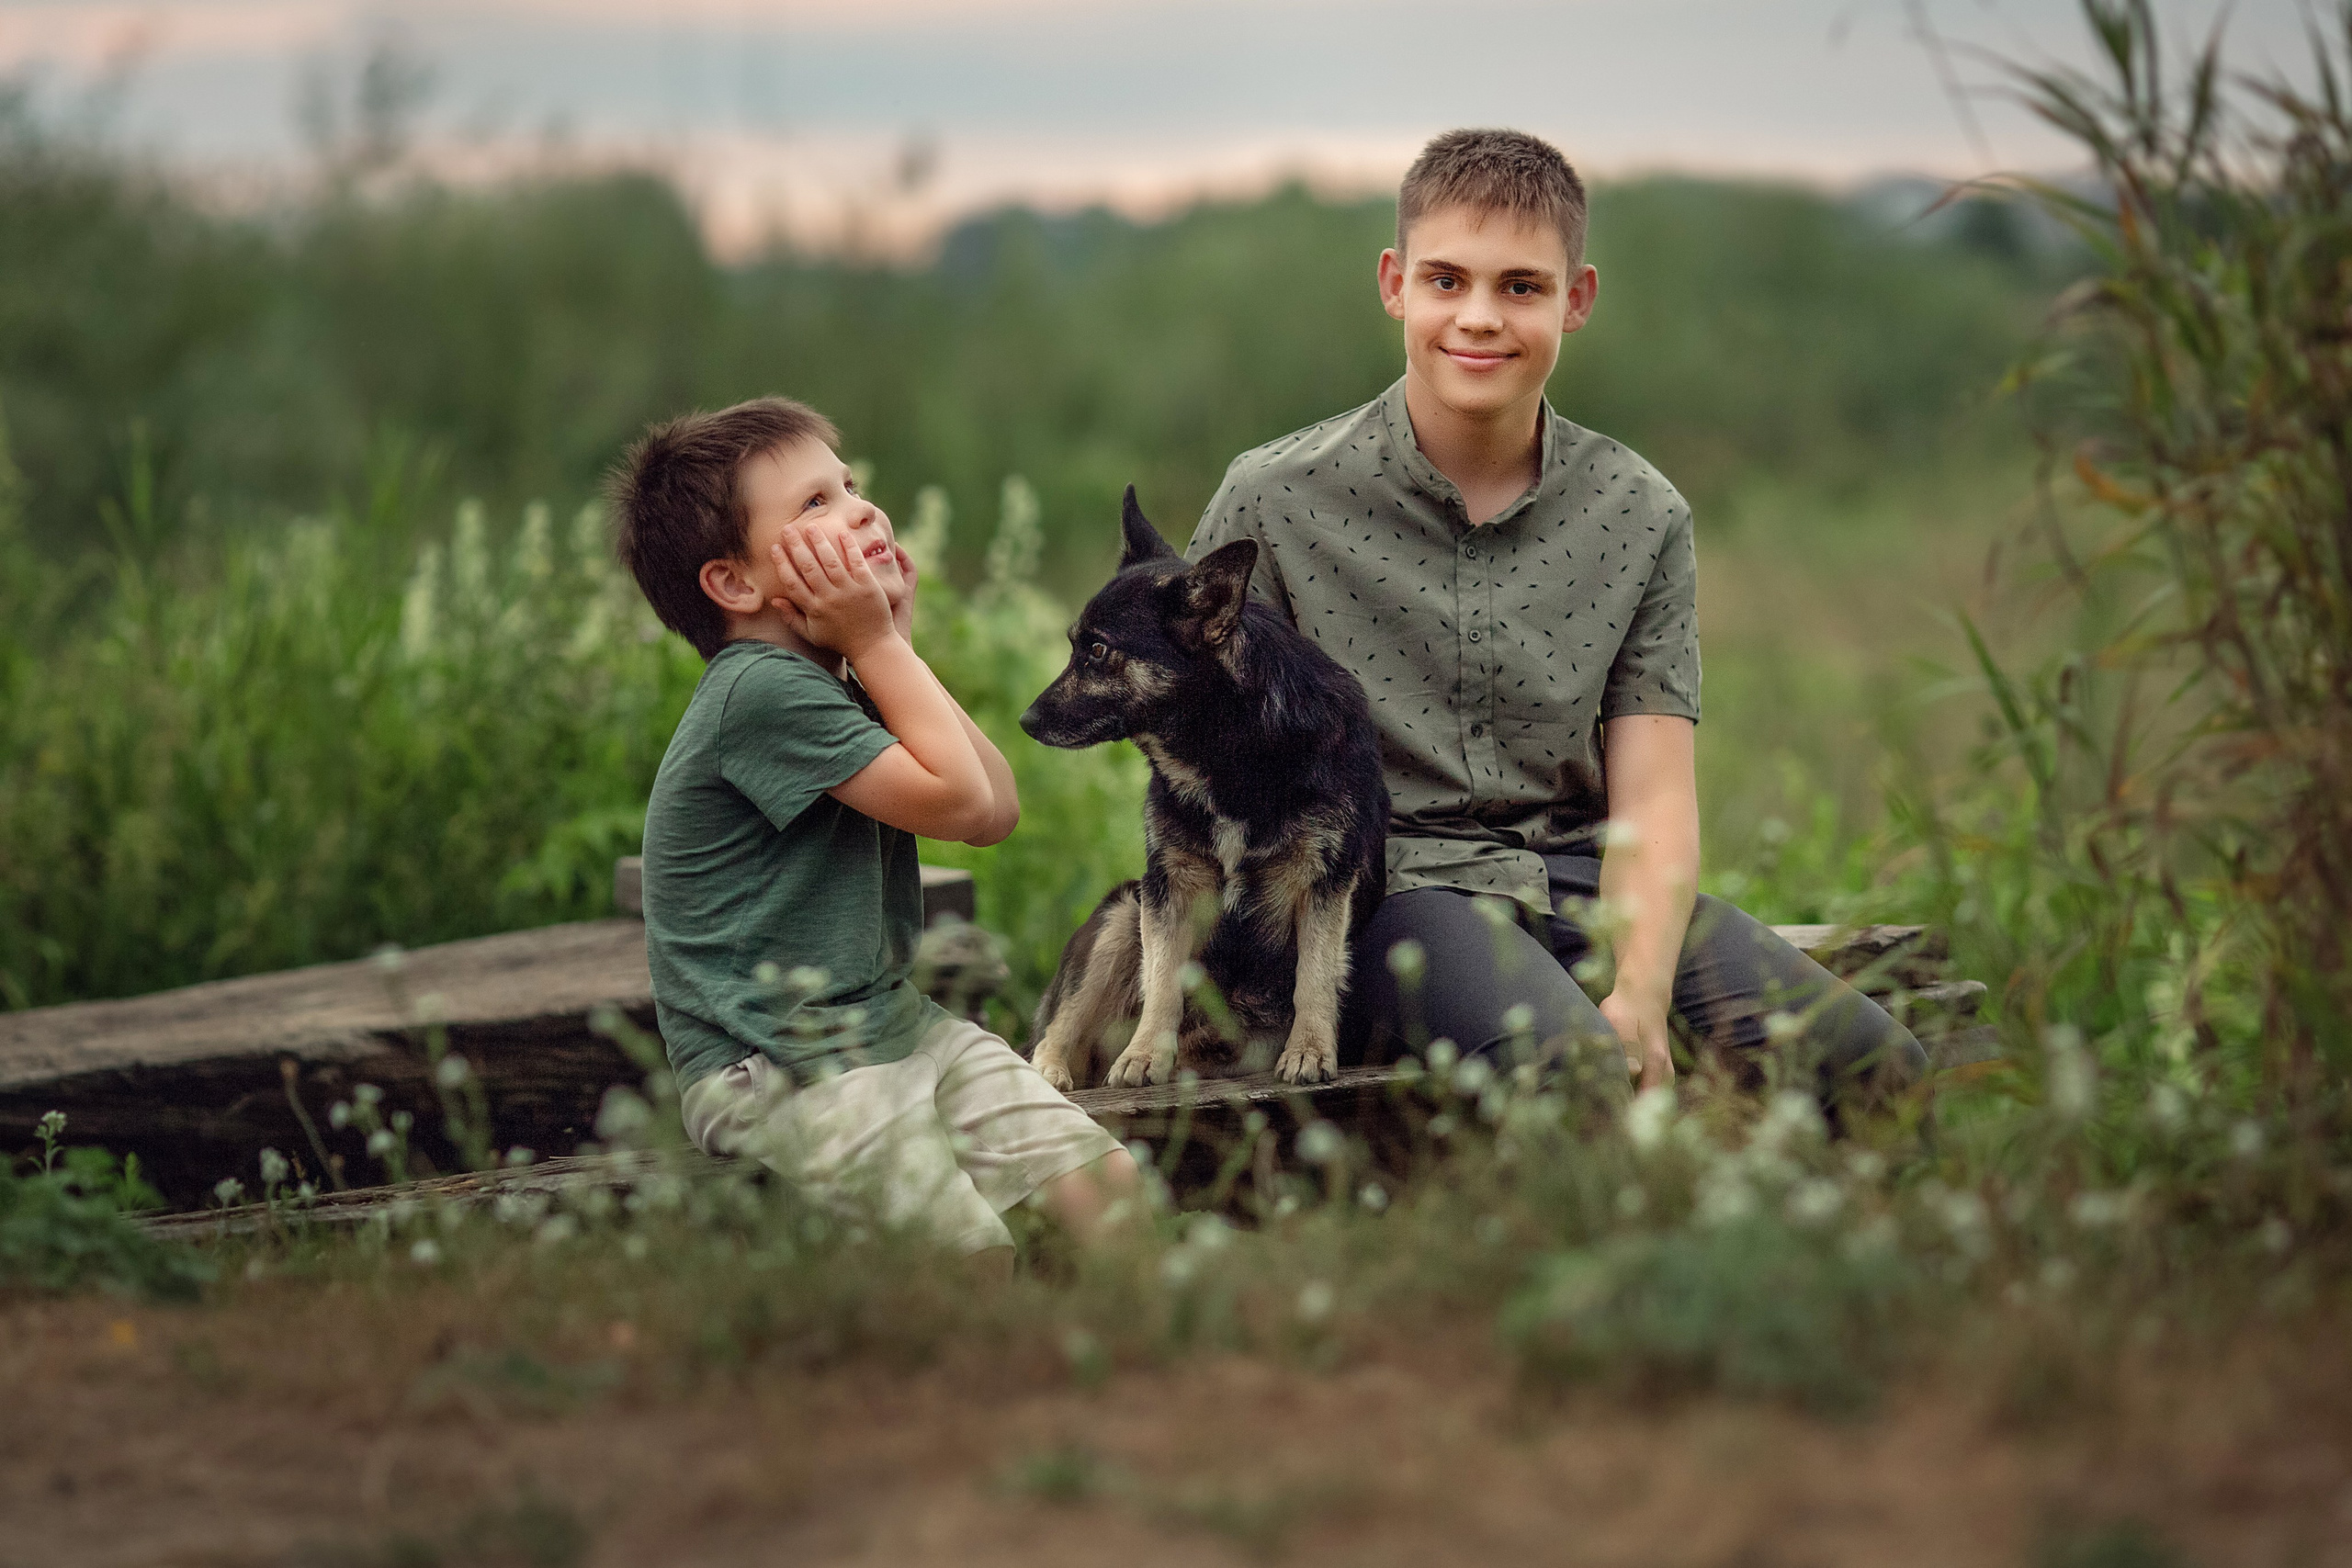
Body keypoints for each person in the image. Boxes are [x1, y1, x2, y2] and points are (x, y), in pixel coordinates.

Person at [1184, 130, 1927, 1111]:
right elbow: (1189, 761)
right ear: (1393, 284)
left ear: (1575, 300)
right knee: (1572, 1078)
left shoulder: (1639, 512)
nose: (1479, 318)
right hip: (1384, 891)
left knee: (1883, 1070)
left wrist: (1644, 991)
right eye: (1446, 281)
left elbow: (1655, 797)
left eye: (1520, 288)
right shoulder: (1275, 499)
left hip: (1578, 879)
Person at [611, 397, 1139, 1272]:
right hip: (777, 1062)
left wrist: (886, 640)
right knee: (966, 1255)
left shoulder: (830, 679)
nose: (861, 509)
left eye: (849, 485)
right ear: (736, 583)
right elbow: (965, 807)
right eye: (814, 504)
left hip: (888, 1024)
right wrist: (879, 642)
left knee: (1107, 1186)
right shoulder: (759, 692)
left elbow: (995, 809)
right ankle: (951, 1395)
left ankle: (1166, 1361)